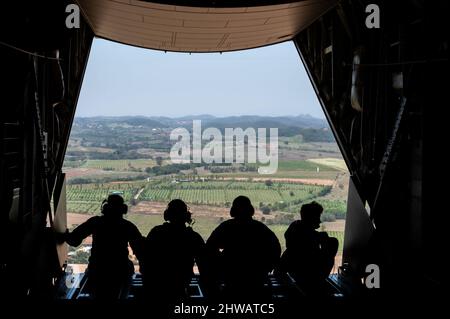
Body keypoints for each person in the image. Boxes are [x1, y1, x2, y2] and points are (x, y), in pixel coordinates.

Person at [60, 194, 143, 299]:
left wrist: (64, 234)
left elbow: (74, 241)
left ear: (105, 207)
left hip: (98, 272)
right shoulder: (128, 226)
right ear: (123, 209)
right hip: (120, 272)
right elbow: (140, 249)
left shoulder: (95, 222)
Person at [206, 196, 281, 299]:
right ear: (250, 210)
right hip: (256, 280)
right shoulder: (260, 228)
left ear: (233, 210)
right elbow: (275, 248)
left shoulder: (226, 227)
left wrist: (221, 263)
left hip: (232, 279)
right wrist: (266, 267)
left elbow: (209, 248)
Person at [140, 199, 205, 302]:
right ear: (186, 216)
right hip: (181, 286)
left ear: (167, 215)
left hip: (157, 288)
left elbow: (145, 260)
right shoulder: (193, 237)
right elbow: (205, 264)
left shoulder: (156, 232)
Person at [279, 201, 338, 294]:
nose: (319, 221)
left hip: (299, 274)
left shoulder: (297, 231)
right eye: (317, 217)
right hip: (307, 276)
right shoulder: (306, 238)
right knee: (333, 241)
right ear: (311, 218)